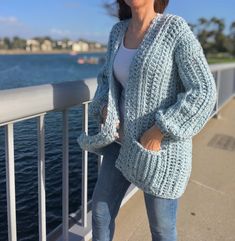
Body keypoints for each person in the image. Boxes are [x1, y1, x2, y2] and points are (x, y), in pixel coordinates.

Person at [77, 0, 217, 240]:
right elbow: (104, 80)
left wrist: (159, 131)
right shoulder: (117, 32)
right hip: (118, 143)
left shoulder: (174, 29)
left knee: (162, 229)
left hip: (161, 150)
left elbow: (203, 90)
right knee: (100, 214)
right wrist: (103, 109)